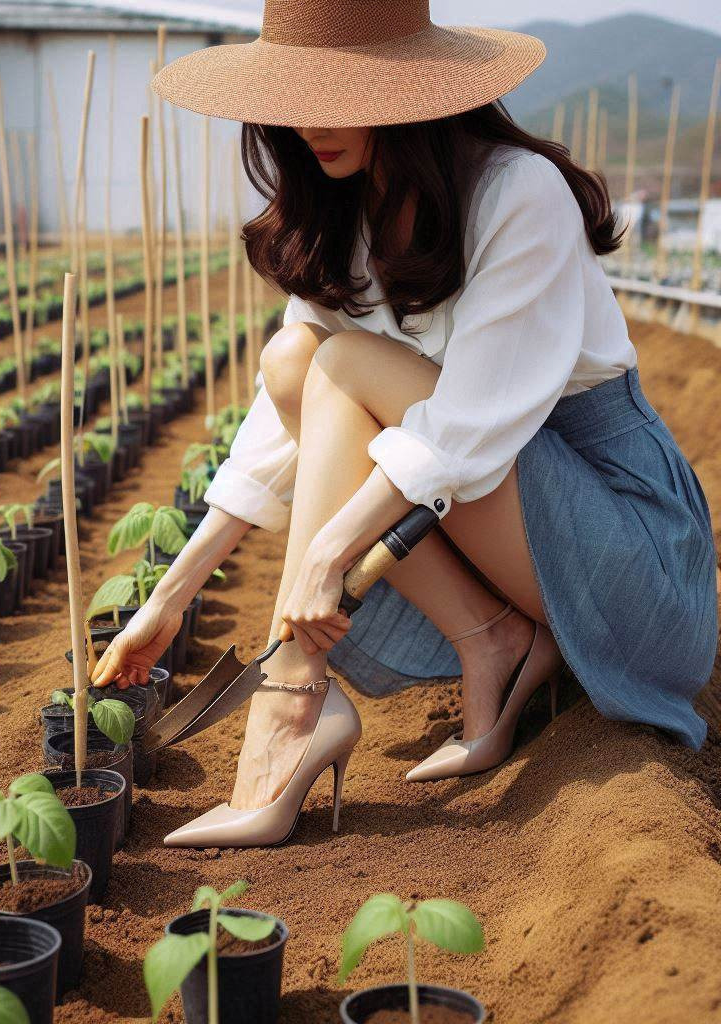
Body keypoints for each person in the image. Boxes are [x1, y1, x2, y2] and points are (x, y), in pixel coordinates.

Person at [91, 0, 718, 849]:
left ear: (412, 91)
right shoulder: (343, 212)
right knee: (295, 361)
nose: (310, 123)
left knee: (341, 363)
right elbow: (289, 424)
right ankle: (488, 637)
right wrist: (172, 594)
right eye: (295, 95)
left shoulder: (514, 191)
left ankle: (293, 701)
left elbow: (466, 429)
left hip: (629, 558)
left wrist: (324, 557)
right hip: (509, 528)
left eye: (340, 91)